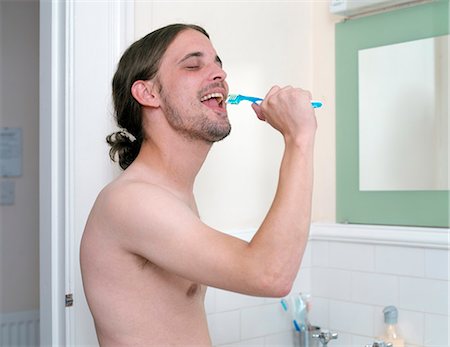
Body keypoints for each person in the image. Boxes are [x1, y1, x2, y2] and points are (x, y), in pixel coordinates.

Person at [80, 23, 317, 346]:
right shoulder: (132, 201)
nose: (219, 74)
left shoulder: (173, 196)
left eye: (218, 64)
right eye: (193, 65)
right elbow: (269, 274)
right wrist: (298, 138)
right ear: (148, 93)